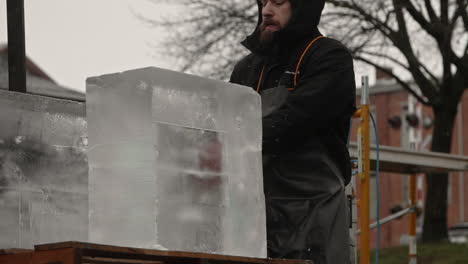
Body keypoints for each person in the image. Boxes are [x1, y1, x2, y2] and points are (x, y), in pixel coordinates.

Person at [229, 0, 356, 263]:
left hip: (312, 215)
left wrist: (235, 137)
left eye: (278, 2)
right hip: (254, 219)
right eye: (263, 1)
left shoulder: (328, 57)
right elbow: (225, 122)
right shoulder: (246, 69)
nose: (266, 10)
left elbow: (296, 120)